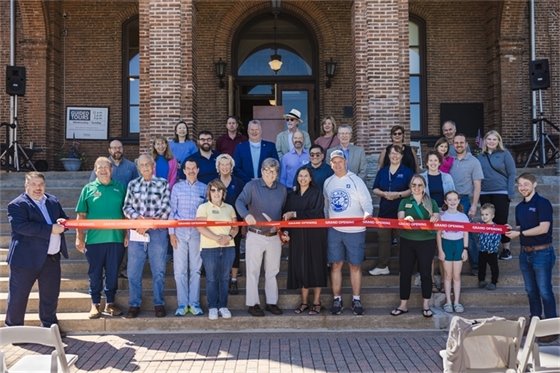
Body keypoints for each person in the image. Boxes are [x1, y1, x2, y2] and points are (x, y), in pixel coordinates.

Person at [5, 172, 69, 330]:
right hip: (25, 260)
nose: (37, 188)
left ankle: (49, 329)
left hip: (51, 259)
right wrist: (50, 229)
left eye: (40, 184)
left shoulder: (53, 201)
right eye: (33, 184)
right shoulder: (17, 204)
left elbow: (63, 220)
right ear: (26, 186)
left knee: (50, 297)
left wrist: (63, 223)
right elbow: (21, 227)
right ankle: (14, 331)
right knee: (18, 297)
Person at [235, 158, 287, 317]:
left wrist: (282, 228)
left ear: (278, 173)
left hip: (273, 236)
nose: (270, 174)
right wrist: (246, 215)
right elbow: (239, 202)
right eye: (267, 170)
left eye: (273, 171)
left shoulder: (282, 189)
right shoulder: (252, 186)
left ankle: (271, 302)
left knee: (272, 271)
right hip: (255, 234)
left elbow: (284, 210)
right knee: (253, 271)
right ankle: (253, 303)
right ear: (262, 171)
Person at [324, 150, 373, 316]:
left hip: (355, 230)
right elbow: (326, 206)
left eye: (340, 161)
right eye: (334, 162)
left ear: (345, 162)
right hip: (335, 230)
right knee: (336, 264)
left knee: (355, 265)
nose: (337, 164)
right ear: (330, 164)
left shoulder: (356, 180)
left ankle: (356, 299)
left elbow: (367, 202)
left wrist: (367, 214)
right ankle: (337, 299)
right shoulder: (328, 182)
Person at [76, 157, 126, 319]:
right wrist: (79, 237)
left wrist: (127, 234)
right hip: (94, 240)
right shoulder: (88, 189)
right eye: (100, 167)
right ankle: (95, 304)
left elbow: (126, 214)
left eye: (106, 167)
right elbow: (81, 215)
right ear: (95, 170)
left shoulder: (120, 187)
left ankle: (110, 302)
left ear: (111, 170)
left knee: (112, 273)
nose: (103, 170)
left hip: (116, 239)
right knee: (95, 273)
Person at [123, 154, 171, 318]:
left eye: (147, 164)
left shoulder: (163, 183)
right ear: (138, 167)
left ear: (153, 166)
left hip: (157, 232)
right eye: (141, 165)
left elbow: (166, 209)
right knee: (133, 272)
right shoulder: (132, 184)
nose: (145, 167)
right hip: (137, 232)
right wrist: (139, 221)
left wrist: (148, 223)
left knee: (159, 271)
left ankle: (159, 303)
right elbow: (126, 207)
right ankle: (134, 304)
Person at [505, 173, 557, 320]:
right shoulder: (519, 207)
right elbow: (521, 227)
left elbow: (543, 228)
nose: (523, 187)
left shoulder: (543, 203)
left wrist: (519, 233)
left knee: (545, 291)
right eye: (520, 185)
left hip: (542, 252)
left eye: (526, 184)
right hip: (525, 254)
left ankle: (551, 327)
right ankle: (535, 321)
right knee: (531, 290)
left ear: (534, 184)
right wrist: (511, 230)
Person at [391, 175, 439, 318]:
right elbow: (400, 219)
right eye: (414, 185)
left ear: (424, 187)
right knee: (405, 273)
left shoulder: (432, 202)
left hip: (427, 241)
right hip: (407, 241)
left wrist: (435, 218)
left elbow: (437, 218)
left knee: (425, 273)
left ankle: (426, 305)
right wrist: (405, 220)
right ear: (410, 187)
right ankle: (403, 304)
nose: (417, 188)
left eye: (420, 185)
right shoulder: (404, 202)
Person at [283, 168, 327, 316]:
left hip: (315, 235)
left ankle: (316, 302)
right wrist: (286, 232)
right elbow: (286, 216)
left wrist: (295, 214)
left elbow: (316, 213)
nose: (303, 178)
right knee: (301, 267)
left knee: (315, 266)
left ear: (310, 178)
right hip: (297, 236)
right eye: (300, 175)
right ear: (297, 178)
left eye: (306, 176)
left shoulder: (316, 193)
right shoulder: (292, 195)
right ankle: (304, 302)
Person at [168, 159, 207, 316]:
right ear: (183, 171)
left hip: (197, 234)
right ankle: (183, 304)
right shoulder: (177, 188)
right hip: (180, 233)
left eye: (193, 168)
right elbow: (171, 211)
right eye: (188, 168)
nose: (191, 170)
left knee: (196, 270)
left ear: (197, 169)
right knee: (179, 270)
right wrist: (171, 233)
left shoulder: (204, 188)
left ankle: (194, 303)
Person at [196, 180, 239, 320]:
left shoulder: (230, 208)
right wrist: (216, 238)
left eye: (219, 190)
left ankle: (223, 306)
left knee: (225, 278)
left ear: (223, 193)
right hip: (209, 248)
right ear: (209, 192)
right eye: (213, 190)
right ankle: (213, 307)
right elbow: (200, 227)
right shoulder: (203, 207)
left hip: (228, 247)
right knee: (212, 278)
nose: (216, 193)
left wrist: (229, 236)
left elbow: (235, 227)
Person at [369, 144, 413, 276]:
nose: (395, 156)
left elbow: (412, 189)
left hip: (402, 210)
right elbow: (375, 188)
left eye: (397, 153)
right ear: (388, 156)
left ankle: (404, 267)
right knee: (383, 239)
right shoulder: (382, 171)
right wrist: (383, 194)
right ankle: (383, 266)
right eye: (392, 153)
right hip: (385, 210)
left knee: (403, 240)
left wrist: (398, 195)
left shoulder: (407, 171)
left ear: (401, 156)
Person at [477, 130, 516, 261]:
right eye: (489, 139)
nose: (491, 142)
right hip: (485, 192)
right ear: (485, 141)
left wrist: (510, 191)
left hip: (501, 191)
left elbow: (512, 173)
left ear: (498, 141)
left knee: (501, 220)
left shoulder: (505, 154)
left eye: (494, 139)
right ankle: (490, 248)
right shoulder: (480, 156)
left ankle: (506, 249)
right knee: (487, 222)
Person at [449, 133, 483, 273]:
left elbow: (477, 185)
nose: (459, 145)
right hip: (449, 200)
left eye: (461, 142)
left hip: (464, 200)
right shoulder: (448, 160)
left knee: (469, 231)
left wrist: (474, 205)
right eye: (456, 143)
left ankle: (475, 265)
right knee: (447, 230)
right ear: (453, 144)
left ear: (466, 144)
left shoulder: (474, 161)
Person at [215, 153, 245, 295]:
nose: (225, 167)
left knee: (234, 252)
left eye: (228, 164)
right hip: (217, 224)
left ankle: (233, 280)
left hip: (235, 224)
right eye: (222, 164)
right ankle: (222, 280)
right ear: (218, 167)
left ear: (231, 166)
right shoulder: (214, 183)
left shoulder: (239, 183)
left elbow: (244, 203)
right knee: (219, 253)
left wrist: (242, 224)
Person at [437, 191, 469, 314]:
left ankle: (456, 302)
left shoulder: (463, 217)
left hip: (459, 245)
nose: (452, 202)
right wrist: (440, 250)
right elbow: (438, 234)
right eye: (449, 199)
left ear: (459, 201)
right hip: (446, 245)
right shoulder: (442, 216)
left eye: (455, 199)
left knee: (456, 276)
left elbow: (466, 233)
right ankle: (448, 302)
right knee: (447, 275)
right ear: (445, 201)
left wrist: (465, 249)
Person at [478, 203, 501, 291]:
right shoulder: (480, 226)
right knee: (481, 266)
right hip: (482, 250)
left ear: (492, 216)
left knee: (494, 267)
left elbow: (497, 239)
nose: (484, 217)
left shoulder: (496, 228)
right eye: (482, 214)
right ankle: (481, 280)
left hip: (492, 252)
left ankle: (494, 282)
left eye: (486, 214)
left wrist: (492, 249)